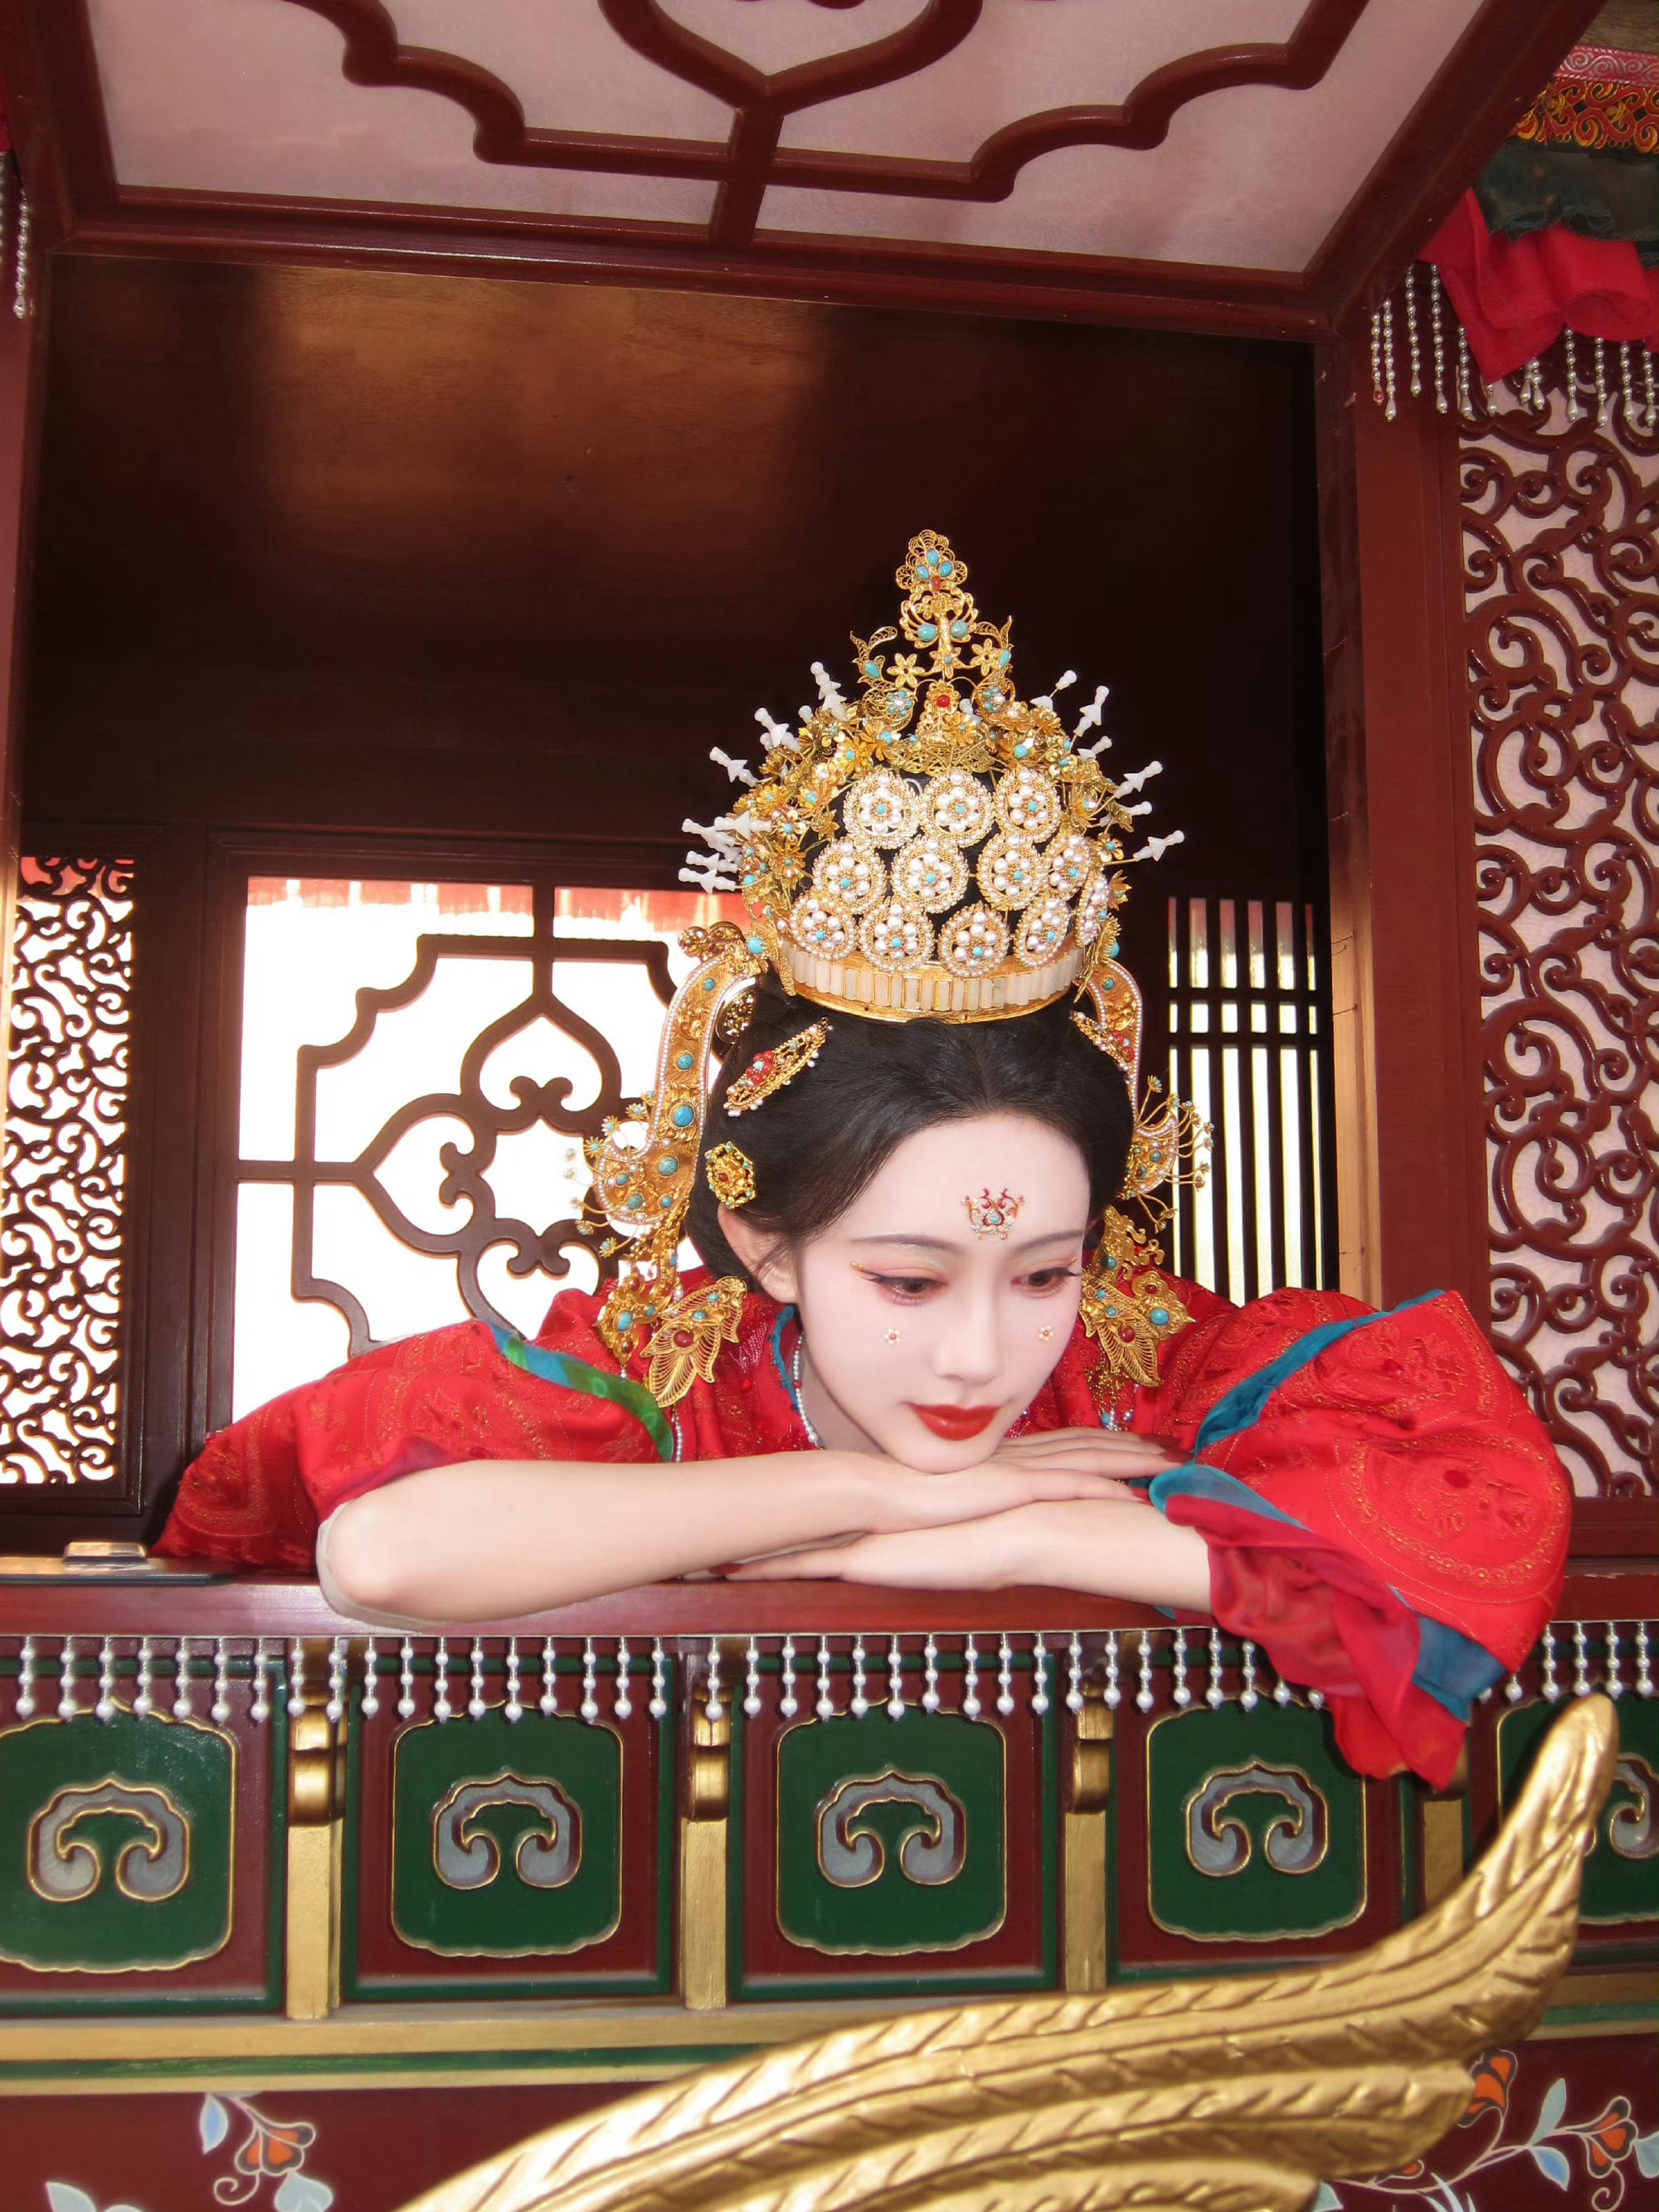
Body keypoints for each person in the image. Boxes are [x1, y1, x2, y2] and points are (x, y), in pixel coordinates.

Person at [157, 532, 1570, 1788]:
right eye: (907, 1280)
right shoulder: (666, 1373)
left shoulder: (1148, 1366)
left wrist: (1029, 1540)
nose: (982, 1356)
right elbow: (383, 1556)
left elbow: (1482, 1516)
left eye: (1045, 1273)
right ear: (767, 1247)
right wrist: (887, 1492)